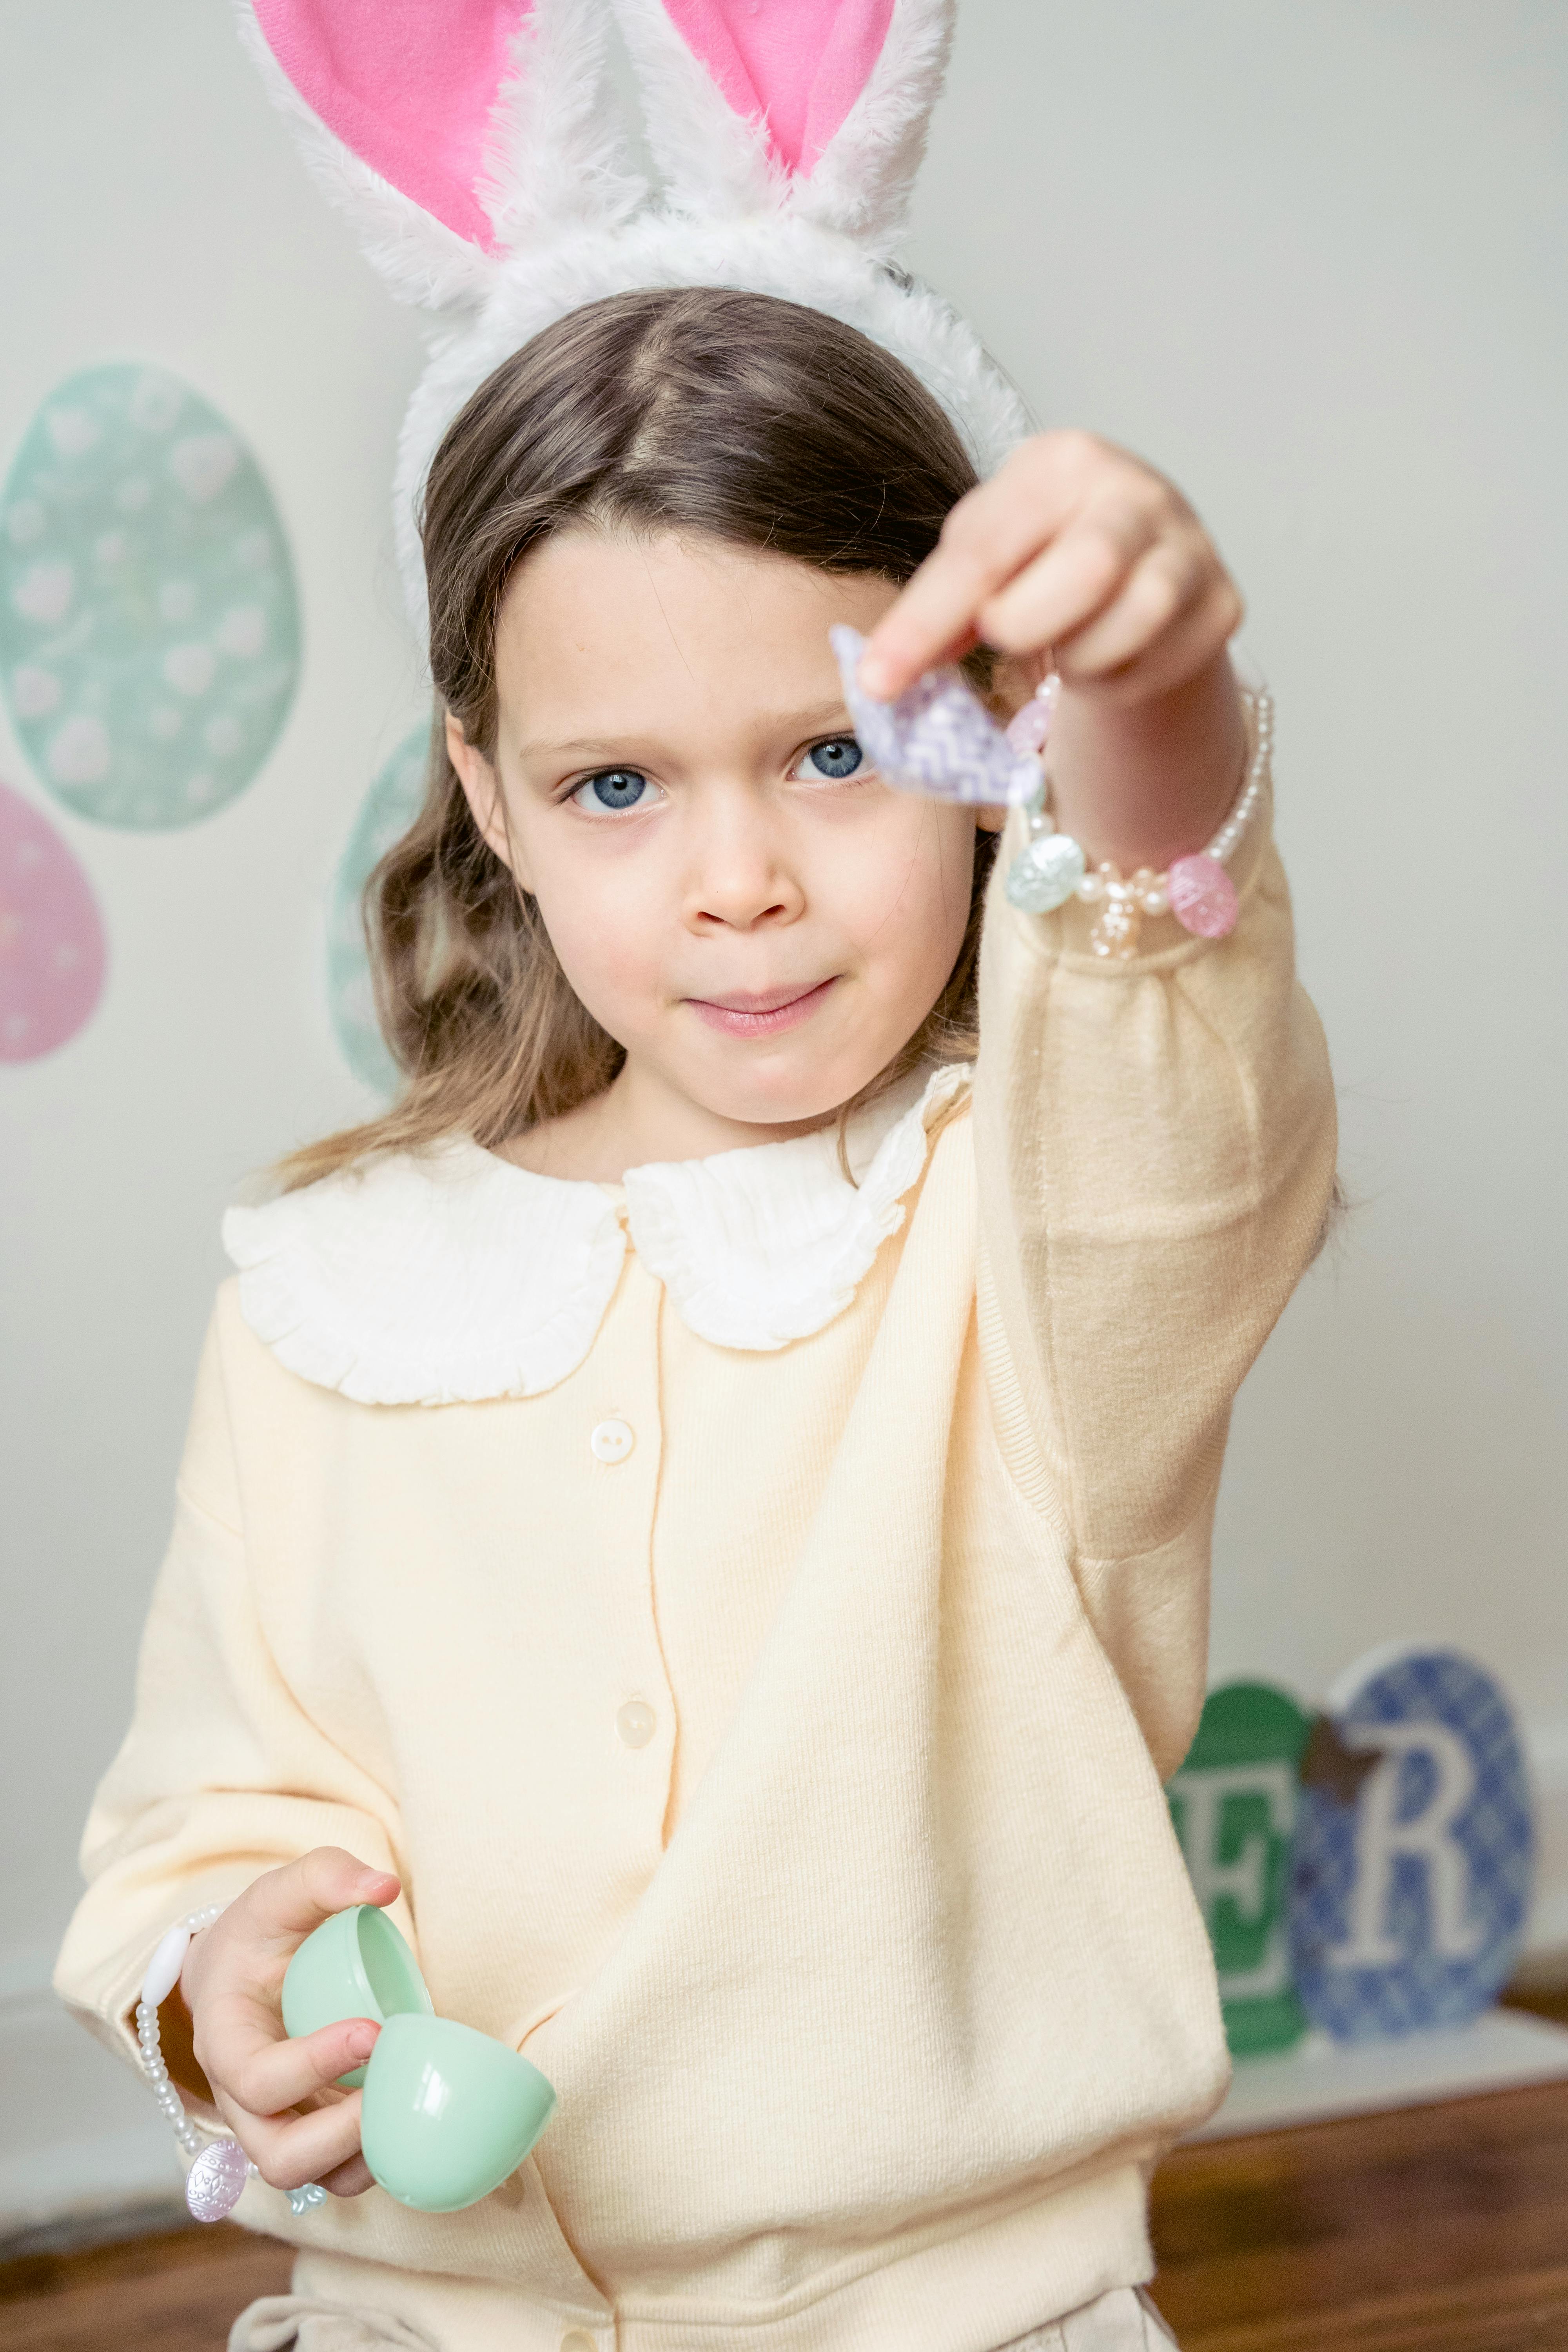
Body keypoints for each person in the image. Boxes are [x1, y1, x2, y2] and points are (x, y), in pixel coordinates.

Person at [54, 11, 1336, 2352]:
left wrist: (1162, 679)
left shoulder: (1036, 1221)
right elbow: (207, 1818)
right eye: (620, 786)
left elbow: (1171, 976)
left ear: (983, 742)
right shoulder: (329, 1288)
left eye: (831, 749)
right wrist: (216, 1982)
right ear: (491, 785)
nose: (737, 879)